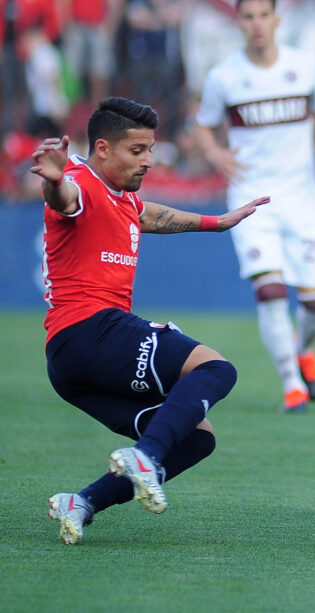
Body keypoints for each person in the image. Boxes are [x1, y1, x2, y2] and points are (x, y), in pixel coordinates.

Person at [31, 97, 268, 545]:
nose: (149, 161)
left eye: (150, 149)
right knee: (217, 369)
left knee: (196, 438)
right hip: (91, 330)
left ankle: (81, 503)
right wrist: (54, 180)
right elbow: (64, 200)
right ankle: (145, 456)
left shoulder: (122, 197)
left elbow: (151, 214)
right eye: (137, 150)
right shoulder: (79, 182)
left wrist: (216, 222)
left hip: (69, 365)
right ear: (103, 148)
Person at [195, 0, 315, 412]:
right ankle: (291, 384)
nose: (257, 23)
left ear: (277, 20)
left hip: (302, 198)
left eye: (264, 15)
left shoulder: (303, 66)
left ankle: (303, 348)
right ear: (239, 23)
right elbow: (202, 125)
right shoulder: (224, 77)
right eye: (249, 16)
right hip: (251, 199)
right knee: (271, 289)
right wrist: (215, 153)